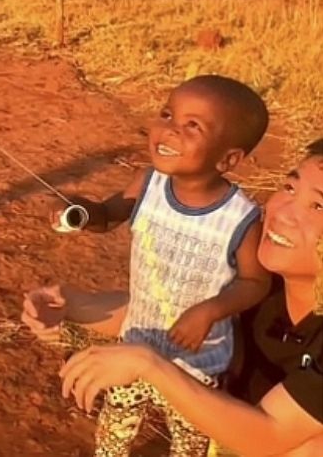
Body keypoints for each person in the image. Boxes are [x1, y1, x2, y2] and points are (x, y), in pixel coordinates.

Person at [23, 75, 273, 456]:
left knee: (188, 440)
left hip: (196, 362)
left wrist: (210, 310)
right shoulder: (148, 183)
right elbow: (107, 215)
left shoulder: (242, 217)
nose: (169, 130)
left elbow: (255, 282)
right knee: (114, 429)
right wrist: (79, 210)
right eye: (167, 114)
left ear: (228, 159)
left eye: (192, 125)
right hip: (136, 342)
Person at [59, 138, 323, 456]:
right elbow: (178, 315)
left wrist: (148, 364)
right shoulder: (260, 281)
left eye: (318, 206)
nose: (283, 212)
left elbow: (269, 434)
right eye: (289, 188)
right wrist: (70, 305)